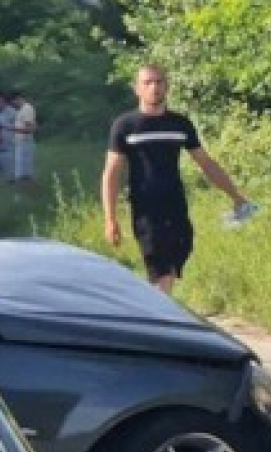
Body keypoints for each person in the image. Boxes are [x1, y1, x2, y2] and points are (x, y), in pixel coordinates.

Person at [101, 64, 253, 293]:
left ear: (167, 87)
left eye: (159, 82)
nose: (154, 88)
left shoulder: (180, 124)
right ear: (137, 89)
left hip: (175, 201)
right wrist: (110, 218)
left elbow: (206, 163)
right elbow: (111, 173)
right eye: (147, 83)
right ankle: (160, 315)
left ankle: (155, 303)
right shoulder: (125, 126)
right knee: (158, 262)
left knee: (179, 253)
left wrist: (236, 196)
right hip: (145, 206)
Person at [9, 91, 37, 182]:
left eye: (13, 101)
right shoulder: (21, 110)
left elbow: (30, 129)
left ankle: (26, 187)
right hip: (20, 143)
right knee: (19, 170)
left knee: (24, 171)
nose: (13, 104)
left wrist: (12, 128)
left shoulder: (27, 108)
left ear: (18, 99)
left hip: (25, 143)